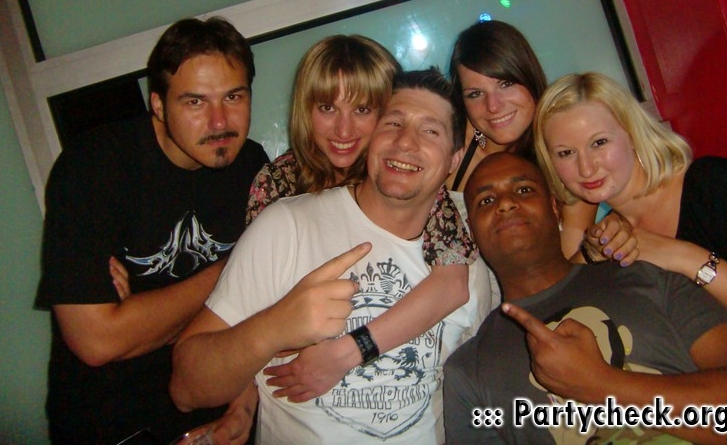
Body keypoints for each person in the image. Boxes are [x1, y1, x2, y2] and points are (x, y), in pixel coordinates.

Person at [170, 69, 491, 444]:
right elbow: (186, 389)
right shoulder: (286, 225)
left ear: (454, 159)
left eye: (430, 131)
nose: (406, 142)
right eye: (393, 123)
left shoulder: (466, 261)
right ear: (370, 137)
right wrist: (274, 327)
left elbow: (479, 404)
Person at [35, 17, 270, 445]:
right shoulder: (94, 168)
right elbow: (98, 342)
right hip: (110, 420)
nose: (220, 121)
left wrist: (243, 406)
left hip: (213, 405)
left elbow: (259, 311)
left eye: (233, 97)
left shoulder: (253, 167)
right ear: (158, 106)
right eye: (195, 102)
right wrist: (233, 268)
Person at [444, 152, 727, 444]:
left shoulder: (650, 279)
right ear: (471, 232)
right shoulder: (468, 371)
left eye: (523, 190)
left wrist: (603, 385)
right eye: (486, 201)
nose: (505, 203)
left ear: (555, 208)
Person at [245, 35, 478, 402]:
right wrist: (243, 405)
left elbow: (452, 283)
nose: (344, 130)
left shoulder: (406, 186)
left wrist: (349, 351)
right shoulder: (278, 183)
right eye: (327, 108)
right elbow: (252, 314)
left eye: (363, 110)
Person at [534, 71, 727, 369]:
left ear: (632, 134)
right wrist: (590, 252)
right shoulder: (610, 238)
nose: (586, 168)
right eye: (565, 153)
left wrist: (682, 257)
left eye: (599, 143)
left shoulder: (714, 187)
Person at [446, 20, 605, 300]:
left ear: (528, 75)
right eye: (475, 94)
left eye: (506, 84)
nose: (493, 106)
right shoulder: (454, 143)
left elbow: (566, 269)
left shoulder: (566, 154)